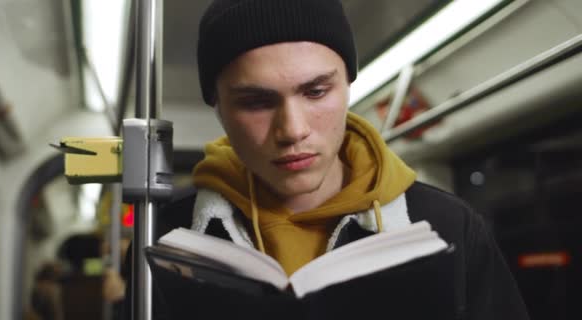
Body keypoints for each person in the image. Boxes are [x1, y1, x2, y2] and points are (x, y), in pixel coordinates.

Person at [122, 0, 529, 319]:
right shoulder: (162, 240)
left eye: (316, 92)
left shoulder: (449, 228)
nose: (293, 129)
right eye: (256, 102)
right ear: (218, 108)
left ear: (348, 85)